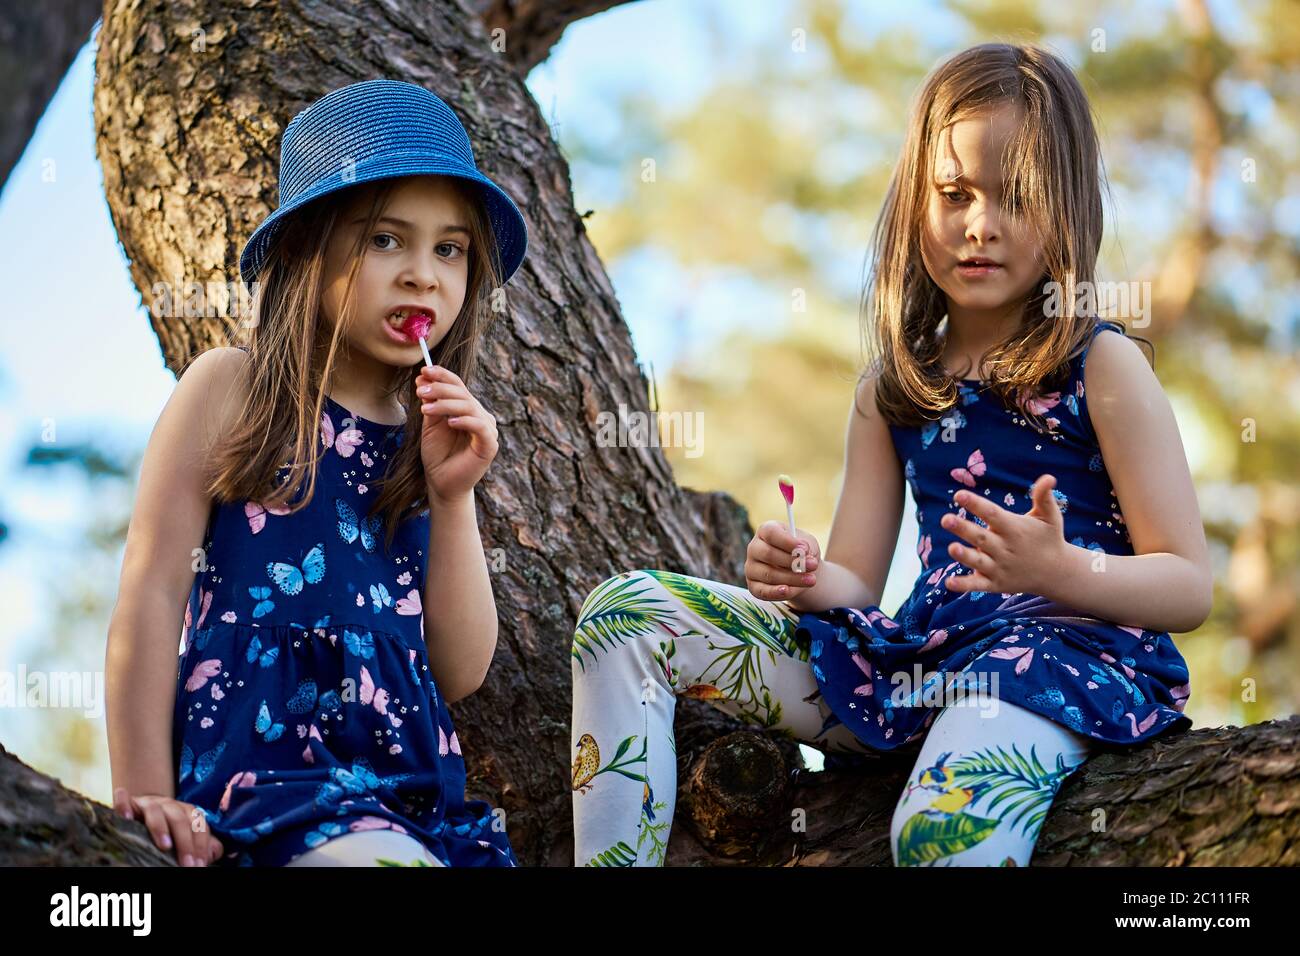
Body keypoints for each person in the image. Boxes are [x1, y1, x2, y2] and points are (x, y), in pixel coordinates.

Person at [569, 42, 1209, 867]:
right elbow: (855, 589)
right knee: (628, 615)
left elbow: (1189, 584)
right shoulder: (893, 386)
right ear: (917, 201)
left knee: (939, 836)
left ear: (1068, 210)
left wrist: (1061, 571)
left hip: (1057, 663)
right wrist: (803, 576)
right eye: (955, 193)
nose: (980, 224)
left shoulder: (1101, 365)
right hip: (917, 665)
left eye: (1016, 196)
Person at [105, 78, 528, 867]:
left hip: (412, 801)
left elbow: (458, 670)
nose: (422, 275)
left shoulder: (427, 443)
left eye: (450, 249)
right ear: (307, 249)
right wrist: (145, 795)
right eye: (384, 240)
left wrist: (454, 495)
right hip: (266, 786)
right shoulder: (230, 390)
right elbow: (152, 587)